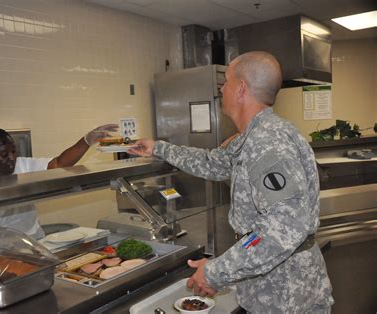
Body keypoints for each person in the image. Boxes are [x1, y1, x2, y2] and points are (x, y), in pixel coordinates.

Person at [128, 51, 334, 312]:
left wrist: (216, 272)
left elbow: (283, 228)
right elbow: (212, 163)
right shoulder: (253, 137)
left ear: (240, 89)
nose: (221, 89)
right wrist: (158, 148)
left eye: (225, 82)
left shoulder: (267, 143)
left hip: (287, 293)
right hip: (271, 283)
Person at [0, 124, 118, 240]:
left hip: (31, 240)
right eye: (3, 154)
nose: (11, 158)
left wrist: (86, 141)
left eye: (14, 151)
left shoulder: (24, 166)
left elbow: (58, 164)